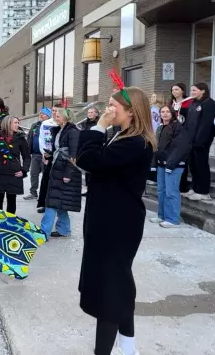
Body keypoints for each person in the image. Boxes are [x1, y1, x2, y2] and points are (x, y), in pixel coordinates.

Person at [75, 86, 155, 355]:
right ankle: (129, 345)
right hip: (109, 220)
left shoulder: (135, 143)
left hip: (118, 224)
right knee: (119, 282)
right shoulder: (123, 137)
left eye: (113, 106)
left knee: (110, 288)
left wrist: (98, 126)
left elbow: (87, 159)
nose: (108, 110)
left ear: (131, 111)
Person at [41, 104, 81, 238]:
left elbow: (73, 154)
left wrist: (68, 174)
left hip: (64, 170)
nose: (55, 117)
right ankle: (64, 229)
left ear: (65, 117)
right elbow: (59, 150)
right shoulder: (60, 130)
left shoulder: (73, 132)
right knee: (59, 201)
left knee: (52, 201)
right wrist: (50, 155)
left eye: (58, 115)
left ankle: (43, 232)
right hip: (57, 167)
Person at [152, 105, 190, 228]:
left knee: (171, 191)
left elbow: (181, 147)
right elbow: (156, 147)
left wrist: (171, 163)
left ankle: (173, 219)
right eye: (162, 112)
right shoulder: (159, 128)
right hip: (161, 164)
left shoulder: (178, 127)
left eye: (168, 111)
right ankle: (161, 216)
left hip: (174, 165)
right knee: (161, 191)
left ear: (172, 113)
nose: (165, 114)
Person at [0, 116, 30, 215]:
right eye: (15, 123)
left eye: (18, 122)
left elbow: (27, 157)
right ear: (8, 124)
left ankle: (10, 223)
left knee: (11, 202)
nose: (18, 125)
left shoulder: (21, 138)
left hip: (14, 174)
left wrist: (24, 170)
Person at [185, 82, 215, 201]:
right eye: (191, 90)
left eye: (194, 90)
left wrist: (199, 140)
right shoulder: (194, 103)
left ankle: (203, 191)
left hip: (202, 140)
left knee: (201, 164)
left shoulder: (209, 103)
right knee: (193, 164)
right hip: (191, 139)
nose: (192, 93)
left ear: (203, 91)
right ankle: (195, 187)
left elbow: (206, 124)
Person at [23, 107, 51, 200]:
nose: (41, 115)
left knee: (45, 175)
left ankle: (45, 194)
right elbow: (29, 138)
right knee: (33, 174)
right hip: (35, 155)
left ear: (48, 116)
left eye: (43, 114)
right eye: (40, 113)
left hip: (46, 156)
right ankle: (33, 192)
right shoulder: (35, 125)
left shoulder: (50, 125)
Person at [169, 83, 192, 194]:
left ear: (182, 91)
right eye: (173, 89)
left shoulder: (188, 102)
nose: (174, 91)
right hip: (172, 133)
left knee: (183, 159)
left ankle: (182, 183)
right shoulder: (171, 104)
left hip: (184, 133)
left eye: (176, 89)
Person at [36, 110, 59, 213]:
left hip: (58, 157)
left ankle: (56, 206)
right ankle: (44, 204)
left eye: (56, 111)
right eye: (53, 110)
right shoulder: (46, 124)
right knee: (45, 181)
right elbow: (42, 139)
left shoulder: (64, 124)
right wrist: (44, 154)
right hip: (48, 156)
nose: (54, 113)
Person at [79, 107, 99, 196]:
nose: (89, 114)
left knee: (93, 172)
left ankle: (94, 189)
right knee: (87, 172)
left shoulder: (99, 123)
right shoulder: (84, 123)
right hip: (85, 149)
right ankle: (88, 189)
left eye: (91, 112)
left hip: (95, 149)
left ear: (96, 114)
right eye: (88, 112)